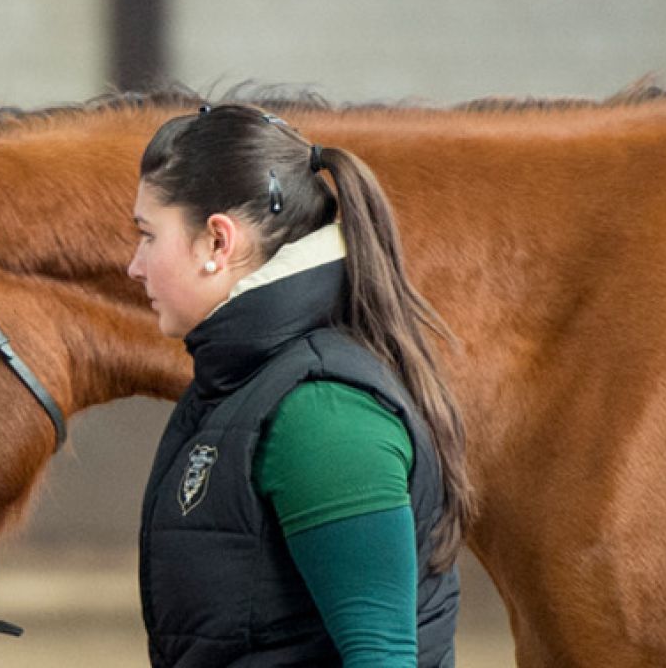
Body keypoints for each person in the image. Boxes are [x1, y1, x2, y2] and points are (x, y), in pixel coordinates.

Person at [125, 103, 474, 667]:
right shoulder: (241, 383)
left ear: (218, 242)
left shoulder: (321, 412)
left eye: (147, 236)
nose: (134, 267)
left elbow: (382, 659)